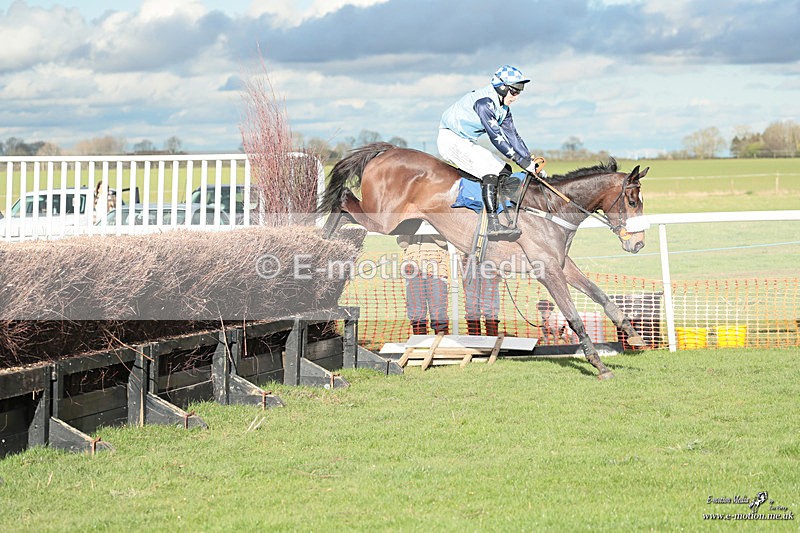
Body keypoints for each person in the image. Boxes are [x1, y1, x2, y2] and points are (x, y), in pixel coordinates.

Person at [438, 65, 541, 239]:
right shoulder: (484, 103)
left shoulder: (504, 109)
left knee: (505, 170)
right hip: (450, 139)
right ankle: (492, 225)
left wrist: (530, 160)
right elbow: (497, 137)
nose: (517, 96)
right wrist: (521, 162)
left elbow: (513, 136)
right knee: (490, 171)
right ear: (502, 87)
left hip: (464, 141)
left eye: (520, 91)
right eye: (514, 91)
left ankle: (501, 213)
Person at [397, 234, 450, 336]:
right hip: (413, 267)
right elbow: (402, 244)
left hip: (437, 266)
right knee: (416, 309)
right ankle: (420, 341)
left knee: (438, 309)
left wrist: (428, 223)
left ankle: (441, 341)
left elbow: (443, 242)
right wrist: (408, 228)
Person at [461, 254, 502, 336]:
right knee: (471, 304)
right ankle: (474, 337)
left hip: (490, 259)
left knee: (490, 305)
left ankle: (491, 337)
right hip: (470, 259)